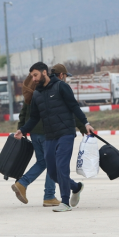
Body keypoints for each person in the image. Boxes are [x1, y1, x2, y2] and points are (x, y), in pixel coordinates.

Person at [15, 62, 95, 212]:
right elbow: (33, 118)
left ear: (44, 72)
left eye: (35, 75)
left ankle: (65, 202)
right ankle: (76, 187)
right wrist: (23, 130)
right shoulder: (37, 94)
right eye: (32, 76)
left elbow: (74, 106)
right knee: (52, 171)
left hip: (65, 133)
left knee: (62, 167)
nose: (33, 79)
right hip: (50, 136)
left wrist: (85, 123)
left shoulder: (61, 86)